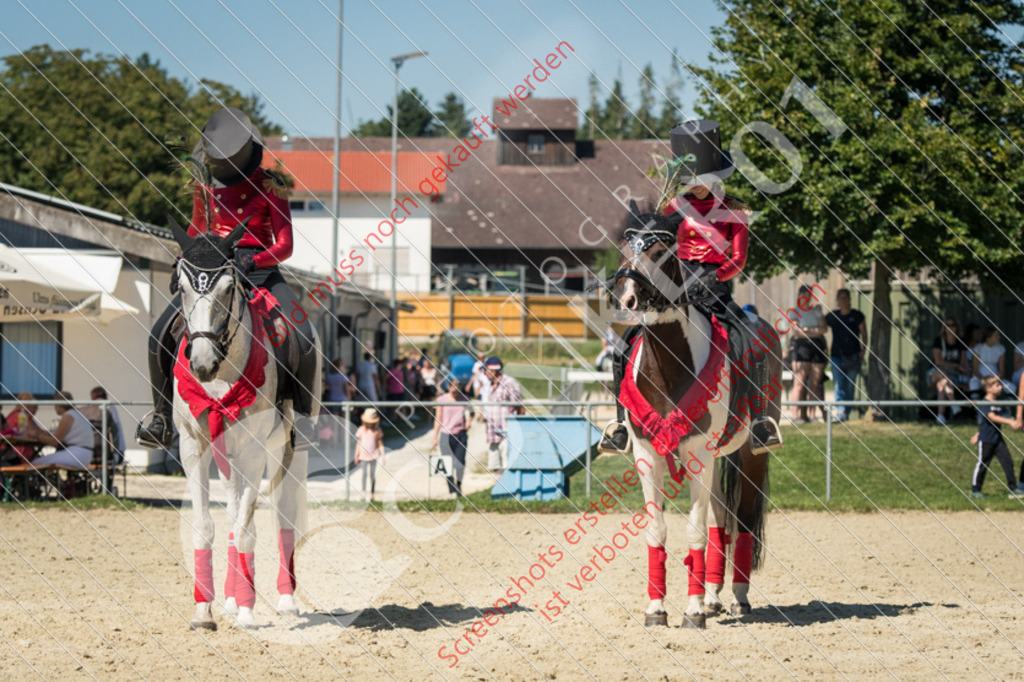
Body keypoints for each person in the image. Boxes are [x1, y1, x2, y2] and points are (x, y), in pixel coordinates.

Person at [137, 107, 319, 449]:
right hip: (213, 269)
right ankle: (160, 417)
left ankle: (305, 418)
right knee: (159, 333)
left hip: (262, 271)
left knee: (303, 333)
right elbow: (195, 228)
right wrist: (183, 259)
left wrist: (255, 260)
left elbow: (286, 244)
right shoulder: (204, 184)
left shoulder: (271, 185)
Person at [599, 119, 781, 454]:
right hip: (674, 287)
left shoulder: (735, 211)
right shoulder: (675, 208)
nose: (694, 186)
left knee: (751, 341)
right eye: (689, 180)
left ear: (716, 177)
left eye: (700, 180)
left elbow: (738, 259)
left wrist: (715, 277)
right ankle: (621, 425)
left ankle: (759, 421)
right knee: (625, 345)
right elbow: (661, 248)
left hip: (714, 289)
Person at [969, 376, 1022, 498]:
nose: (1001, 387)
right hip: (987, 440)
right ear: (989, 388)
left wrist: (1015, 421)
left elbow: (1001, 416)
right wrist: (1010, 422)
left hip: (997, 439)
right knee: (983, 464)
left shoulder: (999, 403)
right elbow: (991, 417)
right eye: (997, 385)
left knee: (1008, 462)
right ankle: (975, 490)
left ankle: (1013, 488)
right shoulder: (984, 403)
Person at [825, 289, 868, 422]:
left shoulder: (857, 315)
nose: (842, 301)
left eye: (845, 298)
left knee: (850, 385)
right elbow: (821, 324)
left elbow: (864, 334)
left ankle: (846, 413)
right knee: (838, 384)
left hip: (853, 355)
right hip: (837, 355)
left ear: (849, 299)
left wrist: (863, 350)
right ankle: (841, 411)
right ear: (837, 301)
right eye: (840, 298)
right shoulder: (833, 316)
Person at [788, 284, 828, 423]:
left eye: (808, 295)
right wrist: (813, 331)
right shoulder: (794, 311)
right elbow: (796, 330)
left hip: (817, 347)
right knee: (799, 382)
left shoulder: (816, 311)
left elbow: (824, 329)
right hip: (801, 348)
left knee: (815, 384)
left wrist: (806, 331)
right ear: (799, 296)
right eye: (803, 295)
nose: (806, 297)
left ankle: (812, 415)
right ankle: (795, 416)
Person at [31, 391, 96, 469]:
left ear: (59, 405)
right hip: (85, 455)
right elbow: (53, 434)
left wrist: (36, 436)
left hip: (76, 454)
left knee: (35, 463)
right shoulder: (77, 414)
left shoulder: (68, 416)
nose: (54, 407)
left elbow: (54, 441)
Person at [482, 356, 523, 473]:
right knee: (495, 465)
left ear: (493, 371)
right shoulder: (489, 386)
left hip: (506, 431)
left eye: (485, 371)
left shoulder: (509, 383)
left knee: (506, 464)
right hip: (492, 432)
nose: (485, 374)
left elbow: (518, 405)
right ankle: (499, 487)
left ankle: (509, 489)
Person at [432, 379, 471, 496]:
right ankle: (452, 489)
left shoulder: (464, 399)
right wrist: (435, 437)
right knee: (447, 463)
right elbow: (438, 418)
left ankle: (458, 485)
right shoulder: (442, 400)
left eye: (457, 390)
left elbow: (470, 412)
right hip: (446, 435)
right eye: (453, 390)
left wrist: (469, 421)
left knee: (460, 463)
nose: (455, 393)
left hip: (460, 434)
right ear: (449, 388)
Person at [927, 318, 969, 425]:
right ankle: (954, 405)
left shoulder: (961, 342)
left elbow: (963, 364)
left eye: (953, 325)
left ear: (956, 327)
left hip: (952, 375)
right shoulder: (938, 341)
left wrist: (960, 369)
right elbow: (938, 362)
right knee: (942, 375)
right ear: (944, 328)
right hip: (935, 373)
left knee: (941, 384)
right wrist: (955, 365)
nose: (950, 327)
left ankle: (941, 416)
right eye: (947, 325)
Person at [80, 387, 125, 465]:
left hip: (88, 454)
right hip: (108, 454)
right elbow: (116, 432)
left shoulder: (84, 411)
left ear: (92, 397)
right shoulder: (110, 407)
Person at [1, 392, 42, 463]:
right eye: (32, 406)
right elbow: (32, 432)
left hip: (12, 450)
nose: (34, 411)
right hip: (18, 452)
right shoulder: (20, 415)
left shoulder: (15, 414)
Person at [354, 408, 384, 502]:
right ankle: (363, 492)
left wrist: (383, 456)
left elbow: (380, 444)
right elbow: (358, 444)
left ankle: (372, 493)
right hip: (363, 455)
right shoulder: (361, 430)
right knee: (364, 474)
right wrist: (356, 455)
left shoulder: (377, 431)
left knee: (372, 474)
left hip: (373, 455)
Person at [971, 327, 1009, 393]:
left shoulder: (1001, 348)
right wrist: (984, 380)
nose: (998, 337)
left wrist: (997, 379)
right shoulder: (978, 348)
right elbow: (975, 370)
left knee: (1011, 387)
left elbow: (1002, 370)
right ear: (988, 337)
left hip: (995, 377)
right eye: (996, 336)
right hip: (980, 377)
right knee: (973, 385)